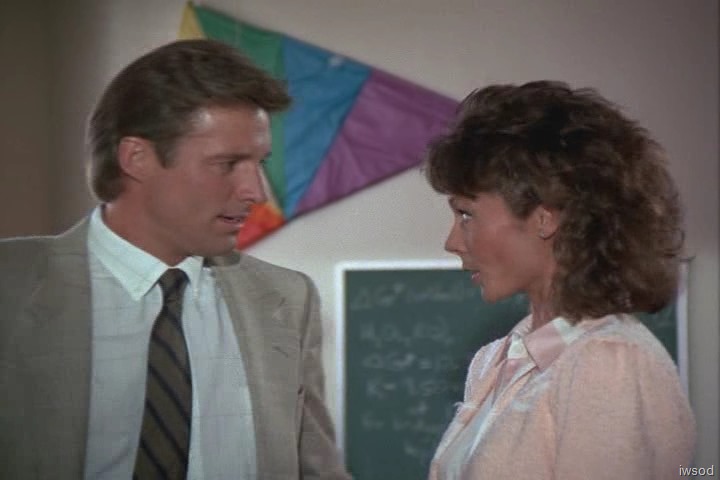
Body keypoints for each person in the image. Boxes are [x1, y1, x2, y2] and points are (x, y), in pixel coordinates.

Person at [0, 39, 350, 480]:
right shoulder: (11, 285)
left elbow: (317, 470)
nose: (256, 192)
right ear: (136, 158)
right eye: (227, 164)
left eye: (259, 163)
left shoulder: (287, 298)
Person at [424, 81, 695, 479]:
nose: (451, 242)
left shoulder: (609, 362)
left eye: (466, 214)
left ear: (544, 218)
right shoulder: (496, 362)